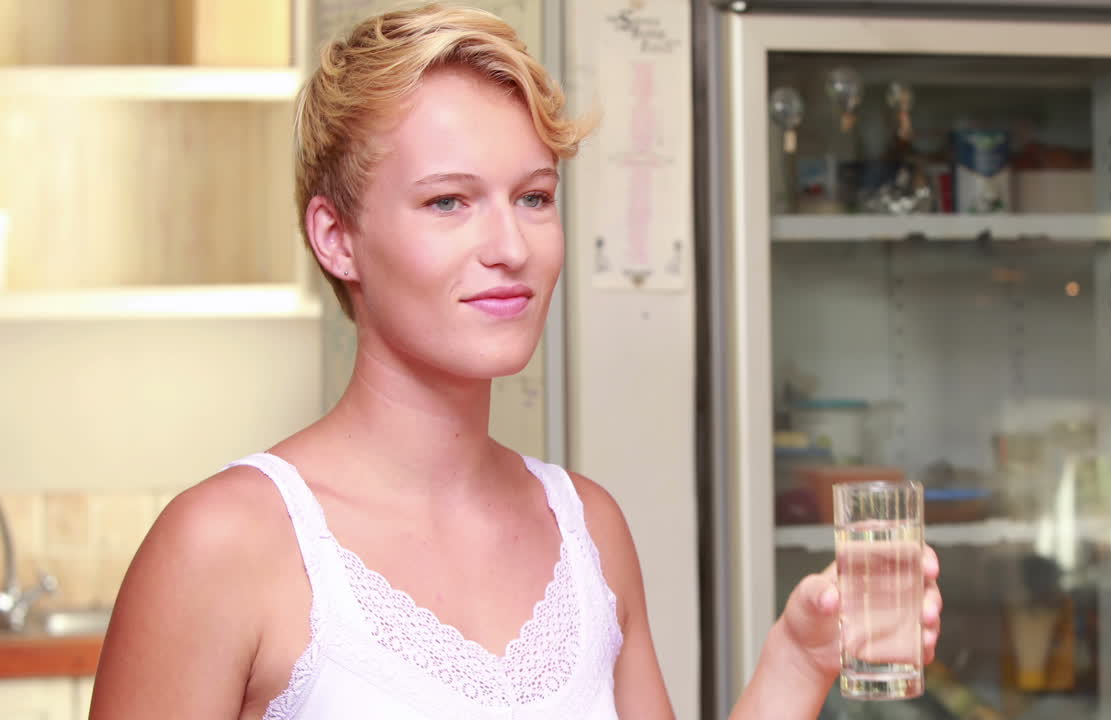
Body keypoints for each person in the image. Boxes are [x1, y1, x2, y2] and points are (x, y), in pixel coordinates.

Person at [89, 4, 941, 719]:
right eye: (449, 201)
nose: (510, 246)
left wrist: (797, 659)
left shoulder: (589, 531)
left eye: (533, 197)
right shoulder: (223, 547)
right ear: (336, 238)